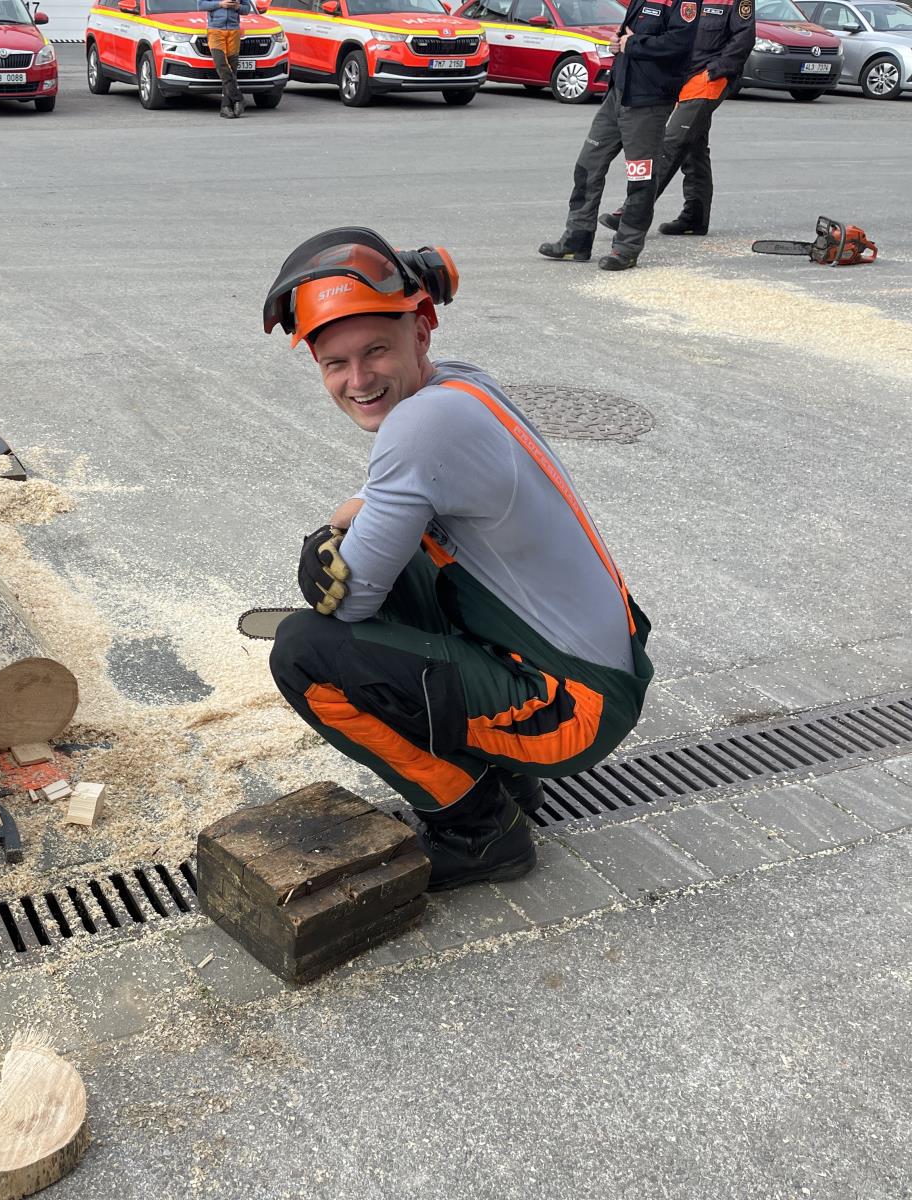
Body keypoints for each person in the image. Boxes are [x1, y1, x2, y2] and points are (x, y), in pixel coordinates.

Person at [262, 228, 654, 890]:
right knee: (409, 562)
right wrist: (336, 528)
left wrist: (324, 559)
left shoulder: (420, 426)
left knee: (306, 653)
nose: (357, 380)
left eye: (375, 350)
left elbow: (353, 600)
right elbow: (387, 498)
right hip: (597, 669)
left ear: (420, 330)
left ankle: (478, 831)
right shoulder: (458, 385)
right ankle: (509, 780)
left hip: (574, 710)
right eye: (335, 363)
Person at [537, 0, 699, 270]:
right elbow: (629, 35)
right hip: (618, 93)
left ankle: (626, 248)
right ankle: (577, 239)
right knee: (588, 165)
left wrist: (633, 44)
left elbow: (680, 44)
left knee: (640, 177)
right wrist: (618, 42)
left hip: (648, 101)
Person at [600, 0, 755, 238]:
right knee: (694, 147)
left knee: (672, 141)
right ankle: (695, 217)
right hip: (679, 74)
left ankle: (631, 213)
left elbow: (744, 38)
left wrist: (717, 70)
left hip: (708, 78)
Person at [198, 0, 258, 118]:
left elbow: (246, 9)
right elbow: (201, 5)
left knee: (232, 70)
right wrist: (220, 4)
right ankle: (238, 98)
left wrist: (237, 6)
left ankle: (225, 107)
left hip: (234, 31)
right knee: (222, 66)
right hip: (215, 30)